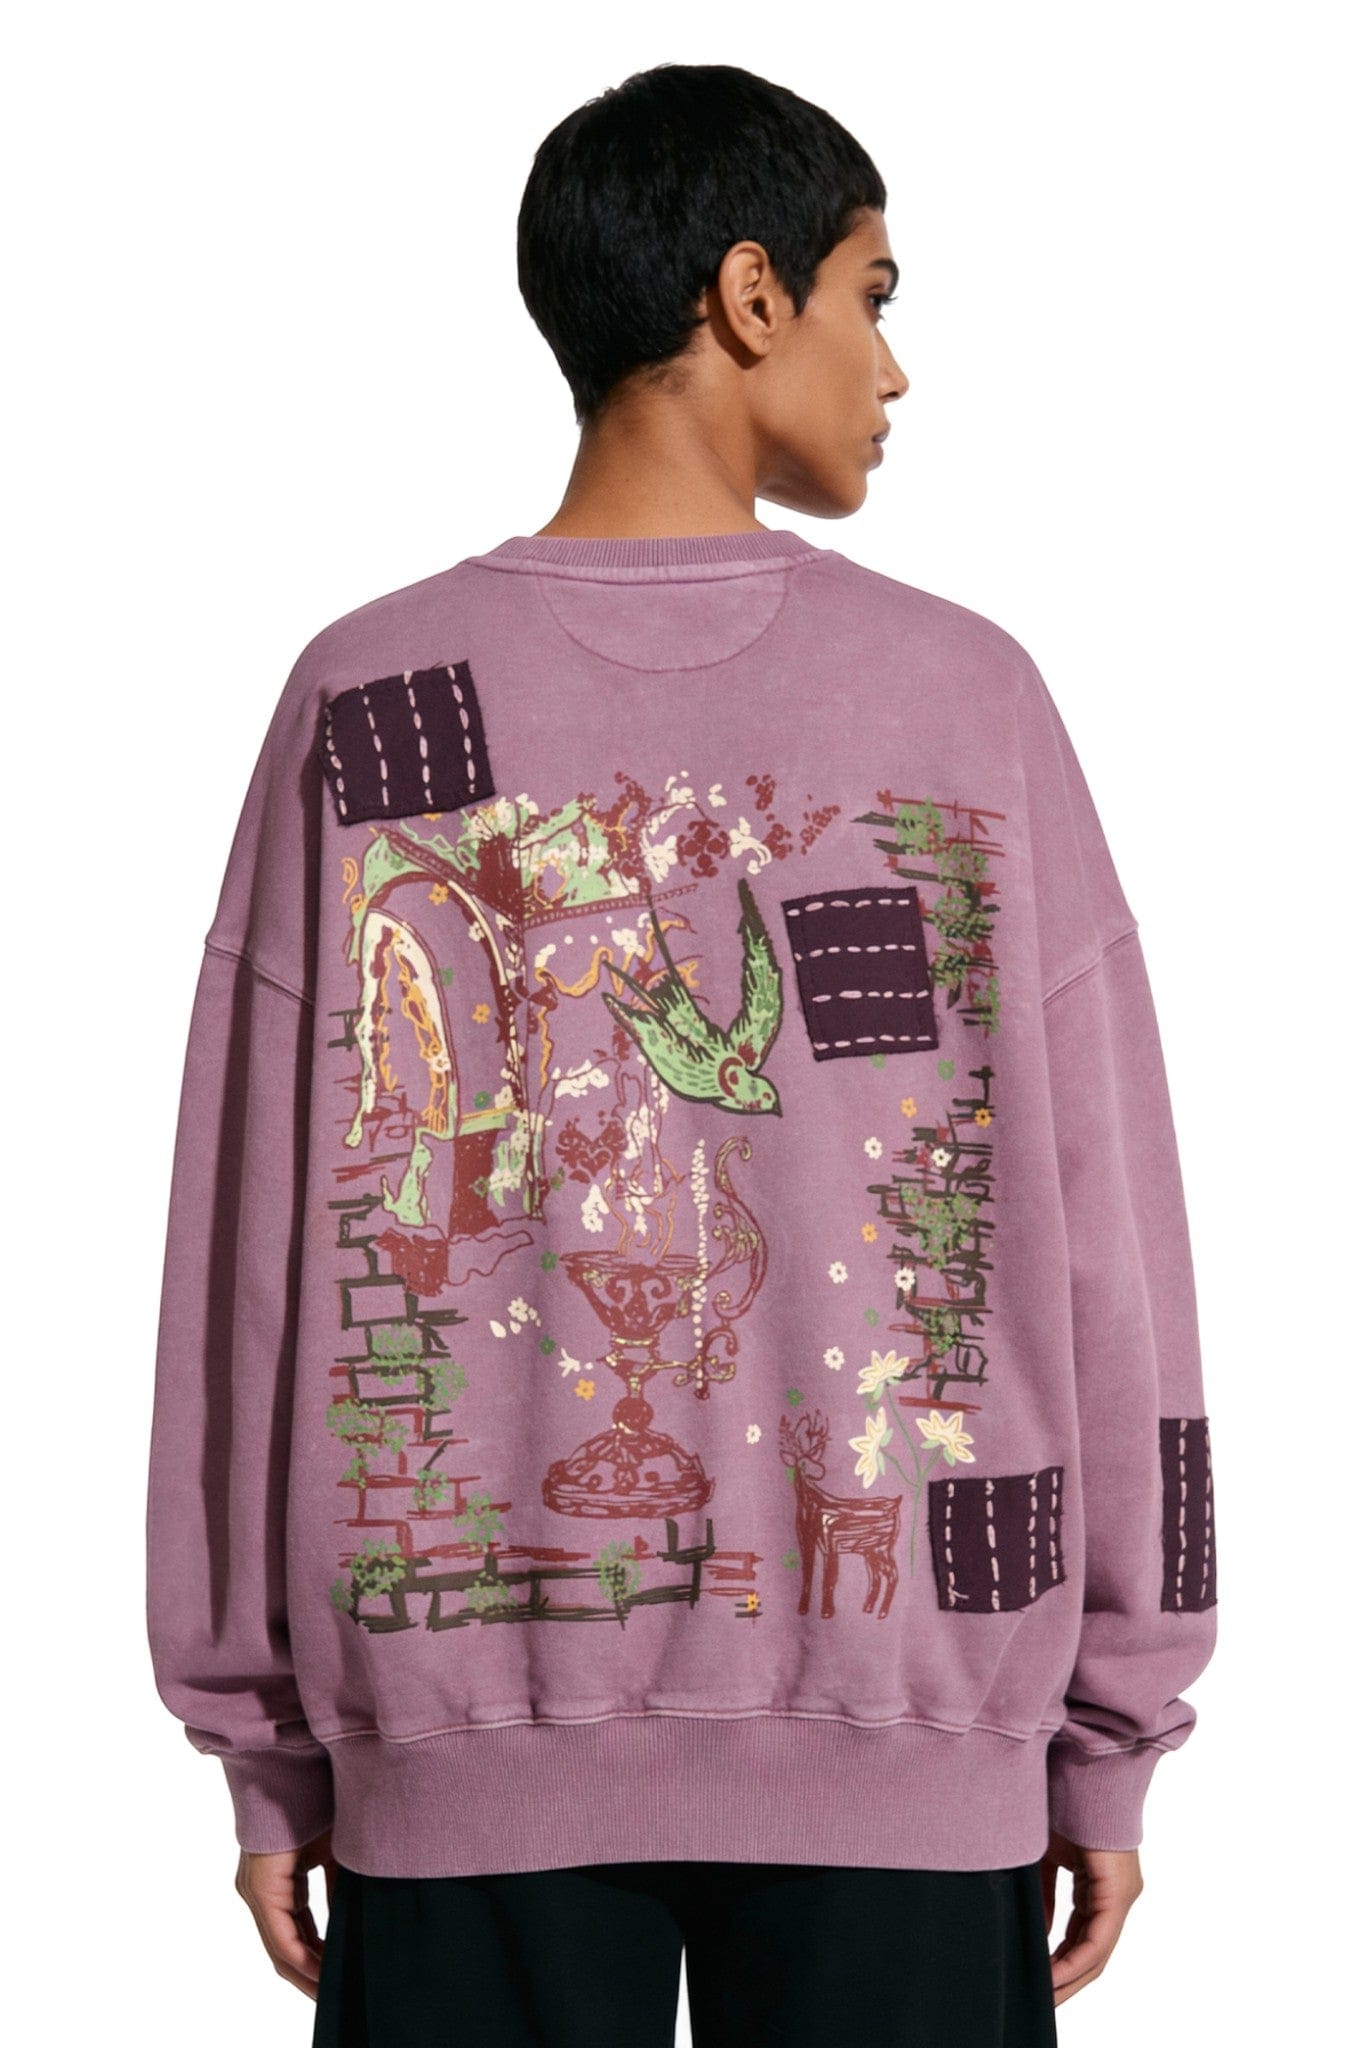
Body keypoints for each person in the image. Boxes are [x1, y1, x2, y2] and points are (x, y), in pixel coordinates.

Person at [144, 61, 1219, 2048]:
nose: (892, 368)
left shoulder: (374, 691)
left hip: (455, 1741)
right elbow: (1106, 1240)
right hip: (914, 1724)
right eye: (870, 296)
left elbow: (246, 1265)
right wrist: (1113, 1711)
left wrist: (265, 1733)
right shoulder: (954, 697)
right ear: (747, 295)